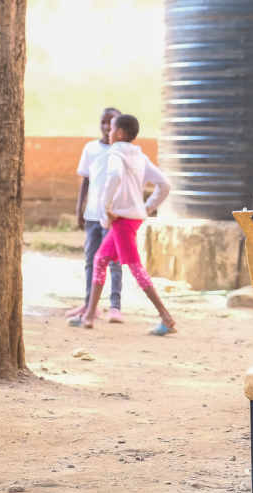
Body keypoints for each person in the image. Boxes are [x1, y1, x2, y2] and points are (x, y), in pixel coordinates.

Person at [75, 114, 176, 335]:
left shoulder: (116, 155)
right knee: (100, 259)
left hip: (121, 220)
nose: (109, 133)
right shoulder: (140, 156)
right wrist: (146, 208)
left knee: (135, 267)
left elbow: (114, 176)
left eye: (111, 129)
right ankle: (89, 316)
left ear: (119, 133)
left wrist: (106, 208)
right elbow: (165, 184)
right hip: (131, 218)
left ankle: (166, 318)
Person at [66, 107, 125, 325]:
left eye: (112, 123)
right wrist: (78, 209)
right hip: (92, 215)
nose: (107, 127)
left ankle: (115, 306)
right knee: (91, 259)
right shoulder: (91, 148)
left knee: (114, 261)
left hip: (114, 216)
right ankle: (90, 302)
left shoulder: (123, 151)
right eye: (103, 122)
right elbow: (86, 181)